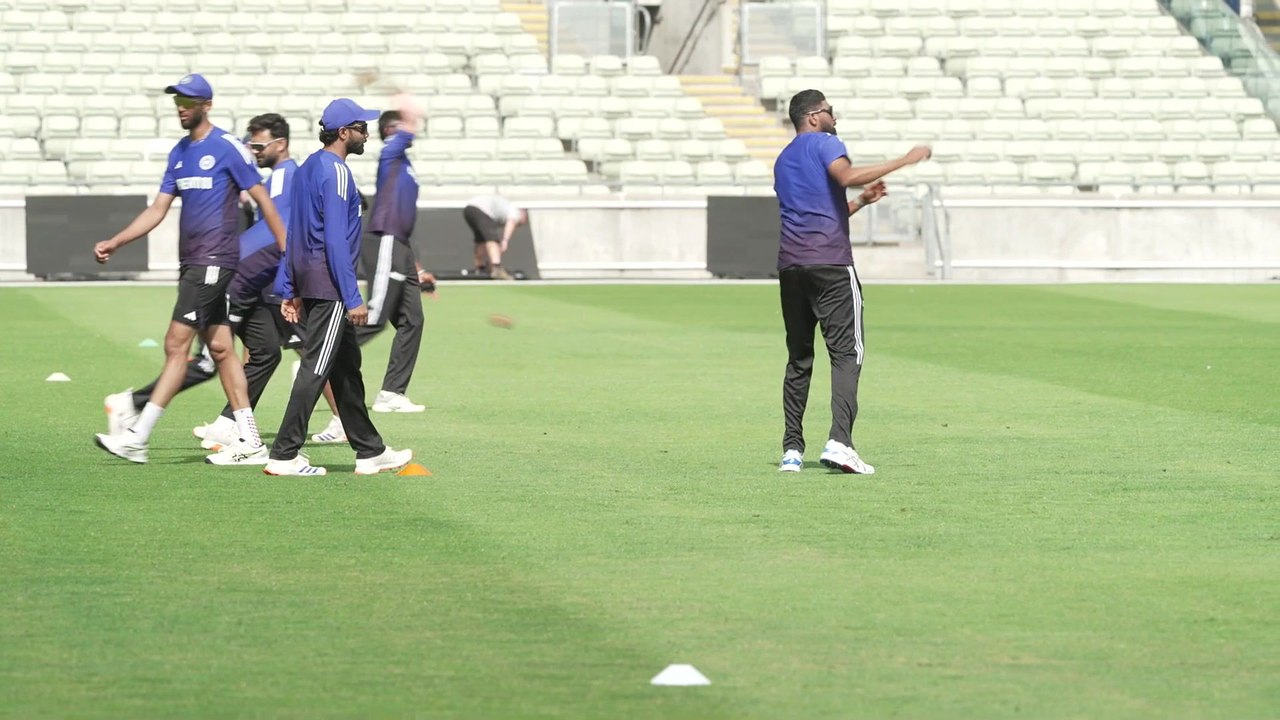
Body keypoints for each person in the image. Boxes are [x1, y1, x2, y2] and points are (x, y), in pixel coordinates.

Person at [105, 114, 344, 452]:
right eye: (253, 145)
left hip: (255, 279)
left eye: (259, 146)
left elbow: (278, 230)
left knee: (268, 353)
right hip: (246, 278)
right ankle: (134, 407)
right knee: (223, 357)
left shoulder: (284, 177)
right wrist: (287, 283)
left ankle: (230, 427)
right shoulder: (285, 178)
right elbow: (281, 233)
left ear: (281, 144)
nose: (254, 151)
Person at [93, 73, 285, 465]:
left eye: (189, 100)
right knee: (221, 349)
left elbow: (263, 199)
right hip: (193, 264)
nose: (181, 106)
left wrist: (288, 252)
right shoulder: (179, 152)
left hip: (214, 262)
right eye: (177, 100)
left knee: (175, 346)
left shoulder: (229, 147)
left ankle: (137, 436)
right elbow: (157, 209)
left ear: (206, 105)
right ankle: (250, 440)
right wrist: (117, 241)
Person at [773, 89, 930, 475]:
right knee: (847, 353)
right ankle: (840, 442)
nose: (835, 117)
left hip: (792, 266)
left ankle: (792, 450)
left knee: (799, 358)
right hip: (831, 263)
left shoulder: (783, 159)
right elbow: (845, 175)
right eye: (829, 111)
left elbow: (818, 210)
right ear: (812, 116)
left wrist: (859, 203)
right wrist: (904, 161)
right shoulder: (826, 143)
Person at [264, 98, 413, 477]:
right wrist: (352, 296)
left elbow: (295, 230)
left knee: (346, 370)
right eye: (362, 128)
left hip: (311, 279)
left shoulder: (309, 166)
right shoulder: (337, 172)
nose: (367, 134)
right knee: (315, 368)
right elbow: (333, 240)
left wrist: (289, 286)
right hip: (329, 285)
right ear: (344, 133)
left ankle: (370, 451)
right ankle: (283, 455)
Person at [352, 101, 432, 416]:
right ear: (390, 131)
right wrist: (409, 118)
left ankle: (391, 393)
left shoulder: (404, 162)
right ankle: (317, 357)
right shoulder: (391, 154)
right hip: (384, 240)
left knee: (413, 320)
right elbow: (391, 146)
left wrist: (418, 267)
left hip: (399, 244)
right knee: (374, 316)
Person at [463, 194, 527, 280]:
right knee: (492, 239)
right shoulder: (516, 212)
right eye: (519, 224)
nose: (518, 225)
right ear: (523, 215)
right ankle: (497, 268)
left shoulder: (502, 210)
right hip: (480, 208)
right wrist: (505, 241)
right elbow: (511, 223)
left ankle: (480, 268)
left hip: (469, 209)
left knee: (481, 240)